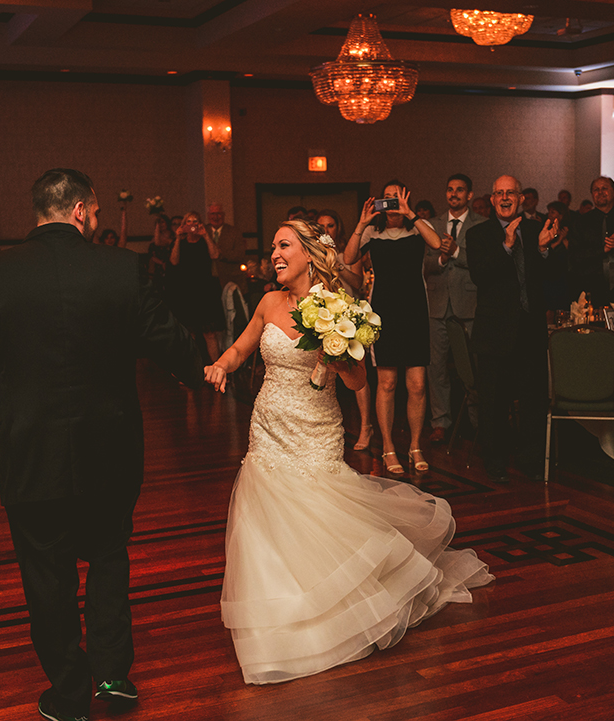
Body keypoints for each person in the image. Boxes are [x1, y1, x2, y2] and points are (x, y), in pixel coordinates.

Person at [0, 168, 202, 721]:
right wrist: (214, 369)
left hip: (32, 453)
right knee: (108, 557)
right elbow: (172, 344)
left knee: (45, 571)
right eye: (99, 212)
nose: (98, 220)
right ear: (81, 210)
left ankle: (67, 692)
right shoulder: (122, 270)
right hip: (111, 451)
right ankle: (113, 677)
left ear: (41, 211)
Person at [202, 218, 493, 685]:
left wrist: (336, 357)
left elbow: (359, 380)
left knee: (320, 515)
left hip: (316, 427)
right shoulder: (269, 302)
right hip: (269, 427)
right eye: (273, 246)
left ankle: (336, 614)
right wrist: (220, 364)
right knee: (267, 523)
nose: (274, 253)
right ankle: (279, 624)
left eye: (283, 245)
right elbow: (239, 349)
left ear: (309, 254)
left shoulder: (340, 307)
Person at [343, 180, 442, 475]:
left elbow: (436, 244)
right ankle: (387, 447)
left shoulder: (416, 227)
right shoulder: (373, 232)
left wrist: (411, 213)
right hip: (383, 313)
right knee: (387, 383)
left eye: (396, 198)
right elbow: (348, 258)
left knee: (418, 385)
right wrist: (361, 224)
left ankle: (414, 446)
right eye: (386, 199)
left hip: (415, 313)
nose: (391, 204)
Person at [466, 175, 557, 482]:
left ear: (521, 199)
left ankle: (531, 461)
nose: (505, 198)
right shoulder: (478, 234)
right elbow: (480, 276)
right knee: (493, 403)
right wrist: (506, 246)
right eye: (499, 193)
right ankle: (494, 461)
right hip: (494, 334)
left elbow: (551, 281)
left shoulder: (536, 230)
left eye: (511, 193)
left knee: (533, 401)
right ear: (492, 200)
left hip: (530, 331)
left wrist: (544, 251)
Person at [425, 173, 487, 445]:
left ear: (470, 195)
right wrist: (441, 256)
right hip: (438, 306)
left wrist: (457, 252)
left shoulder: (481, 225)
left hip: (469, 306)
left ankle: (477, 422)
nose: (454, 195)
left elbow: (485, 266)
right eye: (450, 190)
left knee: (472, 369)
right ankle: (440, 422)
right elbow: (425, 265)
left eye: (460, 190)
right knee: (436, 368)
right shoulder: (434, 224)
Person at [316, 208, 373, 451]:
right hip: (322, 314)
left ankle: (365, 426)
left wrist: (336, 265)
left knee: (356, 372)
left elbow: (358, 283)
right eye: (321, 226)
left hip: (347, 314)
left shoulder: (348, 252)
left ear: (337, 228)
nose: (326, 230)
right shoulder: (311, 254)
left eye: (330, 225)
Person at [169, 210, 225, 362]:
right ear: (184, 225)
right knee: (190, 334)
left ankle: (218, 370)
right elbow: (174, 261)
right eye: (189, 222)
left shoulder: (205, 240)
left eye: (195, 222)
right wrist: (178, 238)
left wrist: (206, 235)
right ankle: (192, 371)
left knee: (210, 334)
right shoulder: (181, 242)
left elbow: (215, 255)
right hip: (187, 291)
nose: (192, 225)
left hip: (205, 291)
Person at [569, 175, 614, 307]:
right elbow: (574, 256)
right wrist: (602, 249)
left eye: (604, 188)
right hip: (591, 290)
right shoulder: (580, 223)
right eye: (596, 190)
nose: (600, 193)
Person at [206, 202, 247, 291]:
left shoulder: (234, 232)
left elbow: (240, 254)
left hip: (229, 279)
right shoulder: (204, 232)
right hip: (207, 279)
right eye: (213, 214)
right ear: (208, 216)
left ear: (223, 215)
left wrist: (221, 253)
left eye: (218, 213)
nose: (216, 217)